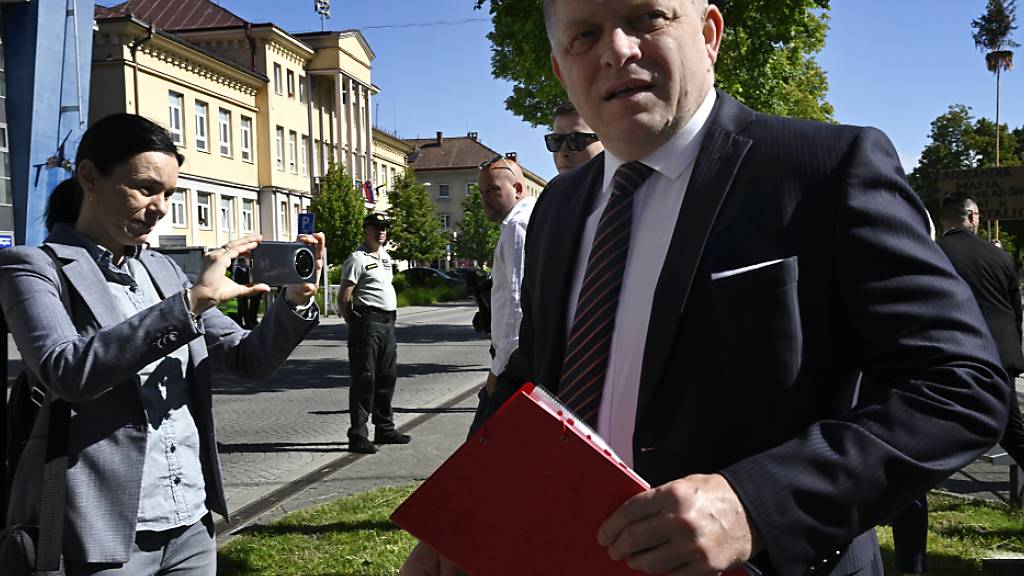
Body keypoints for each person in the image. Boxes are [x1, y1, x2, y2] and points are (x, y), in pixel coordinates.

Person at [400, 1, 1009, 575]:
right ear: (561, 69)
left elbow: (960, 386)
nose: (615, 50)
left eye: (646, 18)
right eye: (583, 35)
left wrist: (758, 502)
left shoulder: (826, 170)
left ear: (709, 33)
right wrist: (468, 516)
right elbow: (533, 380)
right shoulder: (559, 207)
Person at [0, 113, 324, 575]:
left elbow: (248, 360)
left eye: (169, 193)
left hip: (190, 523)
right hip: (97, 532)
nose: (160, 208)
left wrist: (293, 301)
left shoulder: (163, 271)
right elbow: (65, 371)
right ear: (90, 176)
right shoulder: (32, 268)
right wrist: (191, 304)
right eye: (146, 188)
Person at [939, 193, 1024, 467]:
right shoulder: (999, 257)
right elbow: (1016, 311)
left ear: (943, 220)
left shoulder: (935, 253)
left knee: (943, 421)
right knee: (1011, 427)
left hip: (957, 351)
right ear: (973, 216)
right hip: (1001, 355)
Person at [472, 155, 536, 429]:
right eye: (482, 192)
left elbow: (516, 302)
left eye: (494, 190)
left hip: (514, 364)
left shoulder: (516, 227)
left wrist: (499, 368)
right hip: (521, 359)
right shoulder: (524, 219)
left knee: (480, 451)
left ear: (518, 189)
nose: (485, 198)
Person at [340, 213, 409, 454]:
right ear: (366, 229)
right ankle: (358, 434)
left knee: (387, 376)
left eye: (385, 228)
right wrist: (354, 324)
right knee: (365, 378)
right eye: (377, 227)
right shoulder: (357, 259)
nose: (382, 232)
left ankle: (384, 427)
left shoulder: (387, 258)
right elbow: (345, 296)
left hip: (387, 322)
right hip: (367, 323)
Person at [546, 101, 604, 174]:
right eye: (556, 140)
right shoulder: (554, 185)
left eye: (576, 140)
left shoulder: (620, 183)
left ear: (606, 140)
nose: (562, 151)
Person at [231, 256, 260, 329]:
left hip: (246, 289)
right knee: (242, 307)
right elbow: (237, 281)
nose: (245, 263)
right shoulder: (238, 270)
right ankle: (242, 322)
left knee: (244, 307)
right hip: (240, 290)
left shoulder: (246, 269)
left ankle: (248, 322)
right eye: (244, 262)